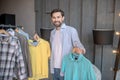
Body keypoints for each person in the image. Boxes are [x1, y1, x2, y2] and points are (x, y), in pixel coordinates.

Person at [50, 9, 85, 80]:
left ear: (63, 18)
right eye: (54, 17)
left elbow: (78, 45)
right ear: (52, 19)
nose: (56, 19)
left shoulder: (71, 30)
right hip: (54, 68)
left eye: (58, 17)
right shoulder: (52, 33)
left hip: (66, 68)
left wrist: (81, 50)